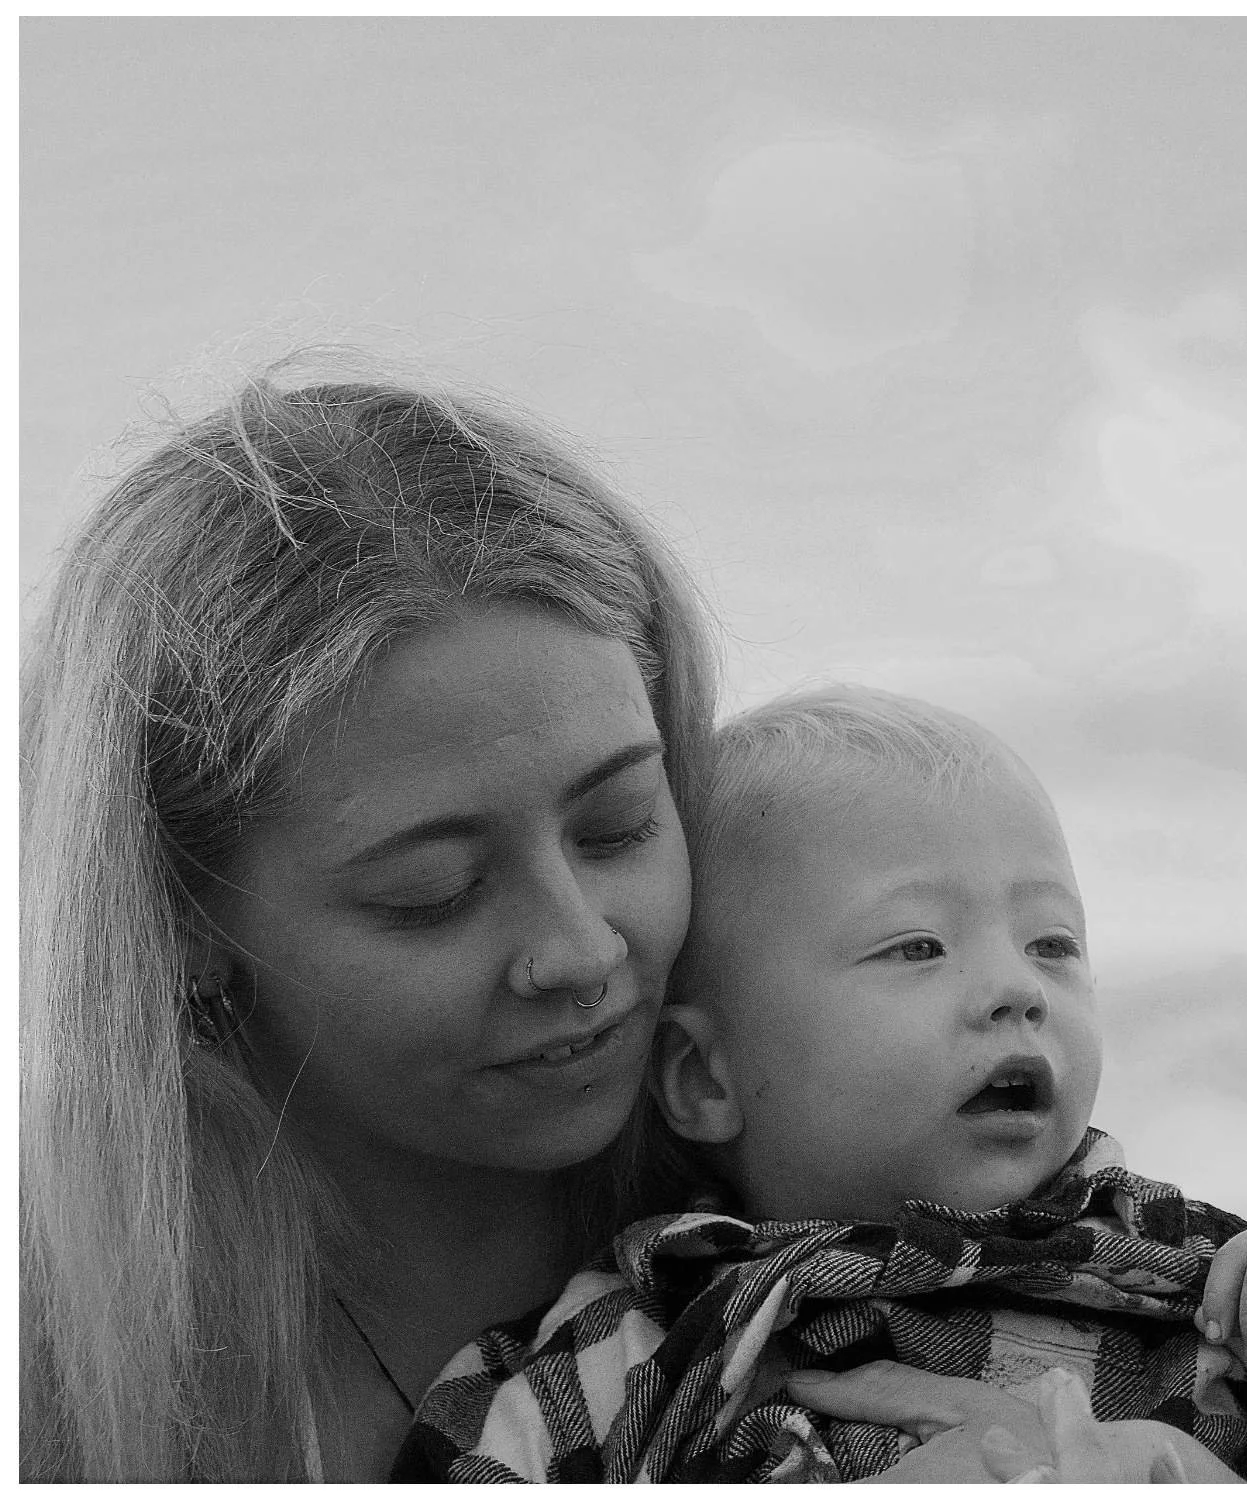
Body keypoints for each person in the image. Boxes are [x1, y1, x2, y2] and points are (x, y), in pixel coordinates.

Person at [20, 362, 1134, 1483]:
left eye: (617, 825)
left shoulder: (869, 1193)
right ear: (177, 920)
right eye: (434, 891)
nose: (586, 951)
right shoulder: (45, 1375)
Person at [400, 688, 1247, 1482]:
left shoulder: (1201, 1285)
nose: (1015, 992)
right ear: (706, 1078)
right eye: (915, 947)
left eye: (1052, 945)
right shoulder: (637, 1339)